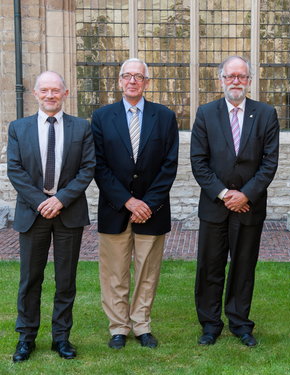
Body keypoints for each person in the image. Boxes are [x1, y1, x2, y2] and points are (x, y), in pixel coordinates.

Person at [190, 56, 279, 347]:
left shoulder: (266, 114)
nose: (236, 81)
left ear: (249, 80)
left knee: (243, 267)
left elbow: (269, 162)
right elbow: (198, 161)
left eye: (241, 76)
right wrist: (224, 194)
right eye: (230, 76)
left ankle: (240, 323)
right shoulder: (205, 113)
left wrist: (246, 194)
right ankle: (210, 324)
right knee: (210, 267)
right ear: (221, 80)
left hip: (249, 207)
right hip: (215, 206)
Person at [7, 71, 95, 362]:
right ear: (35, 94)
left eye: (55, 90)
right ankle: (26, 338)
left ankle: (61, 338)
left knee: (65, 279)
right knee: (30, 278)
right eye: (44, 90)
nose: (50, 95)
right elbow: (15, 170)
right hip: (32, 214)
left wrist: (59, 200)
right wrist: (40, 203)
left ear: (65, 93)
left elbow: (87, 169)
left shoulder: (81, 128)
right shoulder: (18, 128)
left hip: (68, 212)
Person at [91, 58, 179, 350]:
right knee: (115, 272)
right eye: (127, 76)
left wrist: (147, 204)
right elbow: (98, 166)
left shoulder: (164, 117)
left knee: (147, 272)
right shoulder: (102, 117)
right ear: (119, 81)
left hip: (152, 211)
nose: (132, 81)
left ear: (146, 83)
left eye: (138, 77)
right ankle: (118, 327)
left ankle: (141, 325)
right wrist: (127, 201)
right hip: (115, 208)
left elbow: (169, 165)